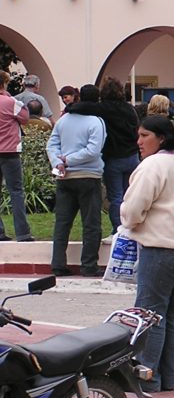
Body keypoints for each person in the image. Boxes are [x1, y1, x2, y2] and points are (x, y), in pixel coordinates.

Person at [121, 116, 174, 393]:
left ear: (161, 138)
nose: (139, 142)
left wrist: (128, 223)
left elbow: (133, 208)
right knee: (172, 314)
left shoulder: (153, 165)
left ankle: (149, 378)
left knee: (150, 314)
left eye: (144, 135)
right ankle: (167, 379)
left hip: (161, 248)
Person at [69, 76, 140, 239]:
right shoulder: (130, 109)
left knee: (115, 197)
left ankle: (118, 230)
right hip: (132, 156)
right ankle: (132, 227)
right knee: (130, 195)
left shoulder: (103, 108)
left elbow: (83, 107)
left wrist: (71, 107)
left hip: (114, 158)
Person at [47, 84, 106, 277]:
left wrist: (59, 161)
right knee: (91, 223)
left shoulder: (63, 121)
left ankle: (57, 264)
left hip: (65, 177)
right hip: (89, 176)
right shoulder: (96, 122)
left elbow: (52, 144)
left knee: (62, 223)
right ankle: (89, 265)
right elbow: (93, 150)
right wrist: (69, 159)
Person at [0, 71, 32, 242]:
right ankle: (23, 232)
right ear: (4, 84)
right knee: (16, 192)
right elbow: (25, 118)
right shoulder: (10, 102)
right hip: (10, 151)